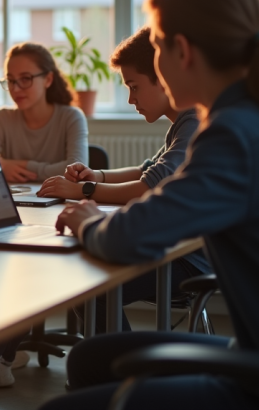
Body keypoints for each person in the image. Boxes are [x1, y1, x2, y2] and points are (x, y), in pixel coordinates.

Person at [42, 0, 259, 410]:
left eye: (156, 47)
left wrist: (86, 218)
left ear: (182, 50)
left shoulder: (233, 134)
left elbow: (129, 236)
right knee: (89, 359)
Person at [37, 27, 209, 334]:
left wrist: (82, 190)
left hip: (191, 259)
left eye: (134, 87)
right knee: (86, 280)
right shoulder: (183, 123)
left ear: (163, 77)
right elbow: (148, 169)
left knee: (90, 288)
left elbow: (148, 187)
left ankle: (125, 374)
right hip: (182, 247)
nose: (130, 99)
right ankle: (118, 367)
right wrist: (97, 176)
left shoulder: (194, 122)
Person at [0, 42, 89, 183]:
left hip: (60, 201)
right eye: (10, 80)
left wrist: (20, 166)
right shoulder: (2, 118)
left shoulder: (71, 117)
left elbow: (78, 170)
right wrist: (1, 166)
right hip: (14, 200)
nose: (15, 89)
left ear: (48, 79)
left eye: (25, 78)